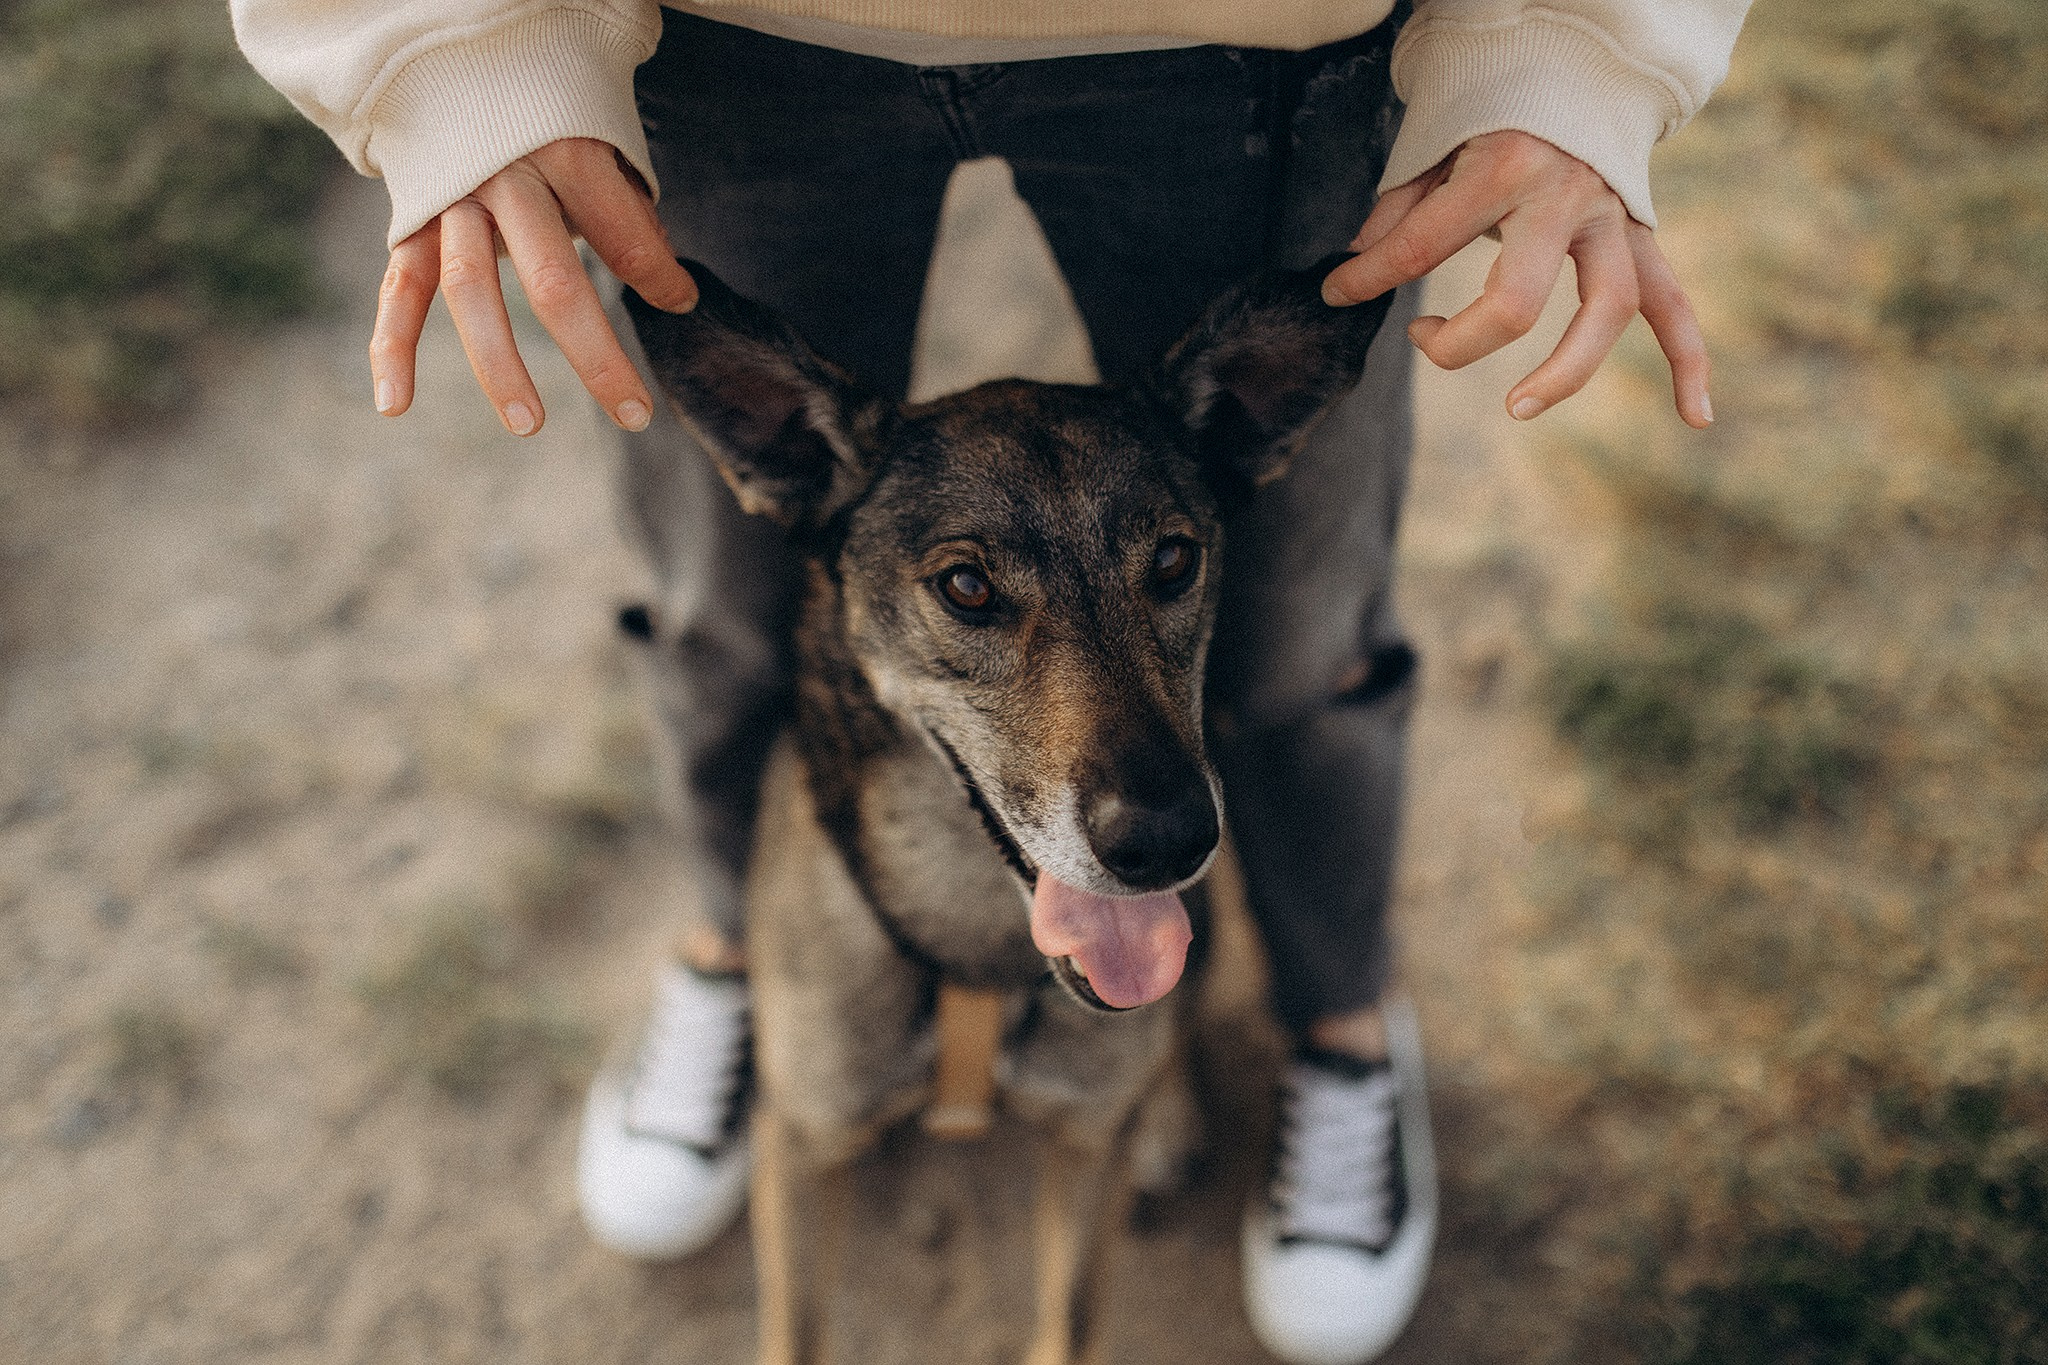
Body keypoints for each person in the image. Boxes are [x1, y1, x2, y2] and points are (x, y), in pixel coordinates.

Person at [233, 2, 1748, 1359]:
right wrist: (447, 43)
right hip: (734, 38)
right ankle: (736, 954)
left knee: (1302, 642)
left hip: (1250, 37)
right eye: (971, 593)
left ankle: (1338, 1030)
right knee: (722, 614)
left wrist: (1585, 46)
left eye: (1165, 567)